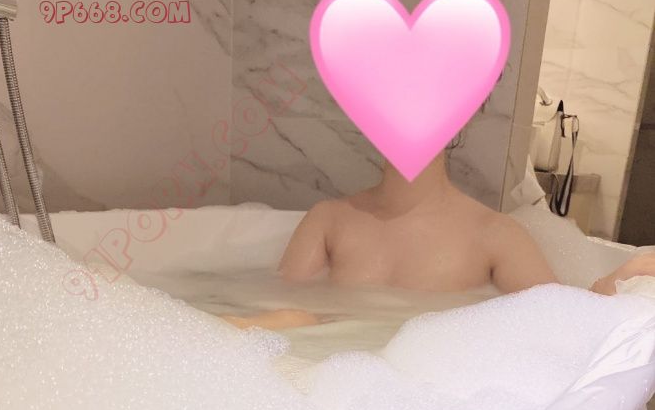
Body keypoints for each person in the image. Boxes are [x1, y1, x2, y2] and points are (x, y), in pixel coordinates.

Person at [278, 152, 655, 296]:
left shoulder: (493, 236)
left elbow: (559, 324)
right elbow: (282, 313)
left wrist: (617, 282)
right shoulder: (327, 221)